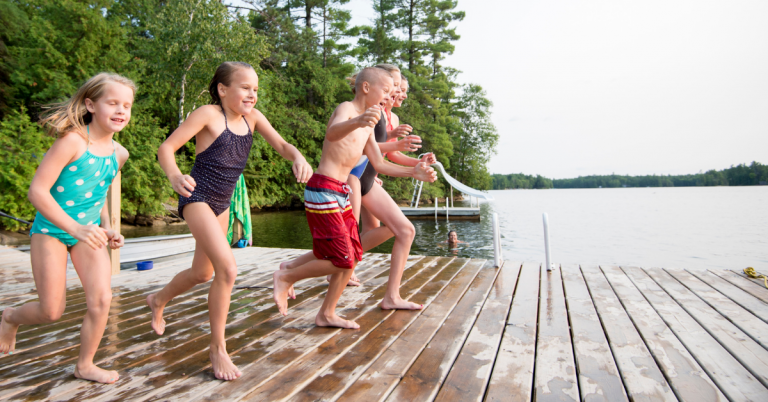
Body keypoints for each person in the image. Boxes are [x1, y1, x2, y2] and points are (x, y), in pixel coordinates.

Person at [145, 62, 312, 381]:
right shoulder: (208, 114)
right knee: (228, 270)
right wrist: (175, 175)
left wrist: (298, 157)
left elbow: (283, 145)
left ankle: (157, 299)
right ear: (223, 90)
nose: (252, 94)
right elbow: (166, 147)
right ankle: (218, 349)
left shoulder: (254, 119)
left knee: (201, 272)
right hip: (196, 197)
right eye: (245, 87)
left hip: (222, 203)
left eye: (256, 90)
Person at [272, 67, 437, 329]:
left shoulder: (369, 124)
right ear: (366, 88)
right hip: (323, 189)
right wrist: (357, 122)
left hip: (340, 192)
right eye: (385, 90)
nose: (390, 95)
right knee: (343, 259)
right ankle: (287, 276)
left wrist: (413, 171)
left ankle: (326, 313)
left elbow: (380, 165)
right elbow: (332, 133)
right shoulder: (347, 109)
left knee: (353, 253)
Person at [0, 73, 133, 384]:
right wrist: (76, 228)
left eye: (126, 105)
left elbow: (98, 192)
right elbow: (37, 192)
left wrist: (106, 226)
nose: (120, 110)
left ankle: (85, 365)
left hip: (86, 233)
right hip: (51, 230)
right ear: (90, 104)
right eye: (112, 103)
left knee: (102, 300)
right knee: (51, 311)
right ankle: (9, 317)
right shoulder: (73, 140)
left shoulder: (119, 154)